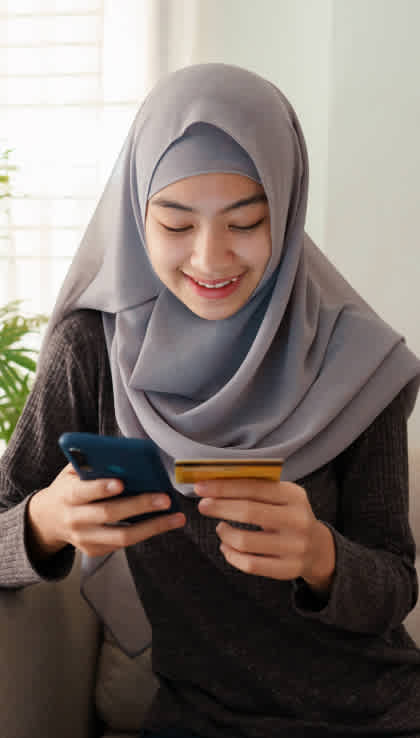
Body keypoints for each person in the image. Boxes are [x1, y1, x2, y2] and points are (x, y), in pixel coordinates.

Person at [1, 62, 420, 738]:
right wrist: (44, 521)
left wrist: (321, 556)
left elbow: (396, 581)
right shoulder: (93, 351)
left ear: (285, 208)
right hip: (199, 719)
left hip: (376, 717)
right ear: (136, 215)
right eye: (174, 225)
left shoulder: (357, 360)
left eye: (246, 222)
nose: (211, 258)